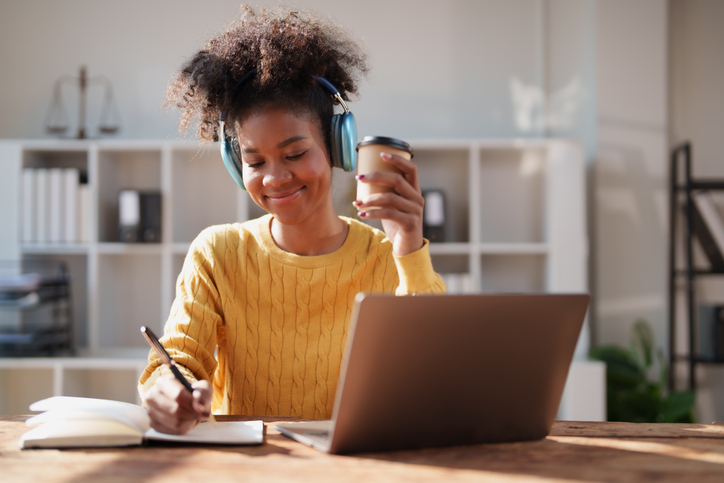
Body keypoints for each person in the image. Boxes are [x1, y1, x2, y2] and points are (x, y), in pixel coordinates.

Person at [138, 5, 445, 435]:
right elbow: (178, 361)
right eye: (254, 161)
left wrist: (410, 248)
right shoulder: (218, 253)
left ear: (338, 146)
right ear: (234, 165)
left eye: (295, 154)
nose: (275, 178)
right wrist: (170, 390)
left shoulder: (386, 258)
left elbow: (434, 376)